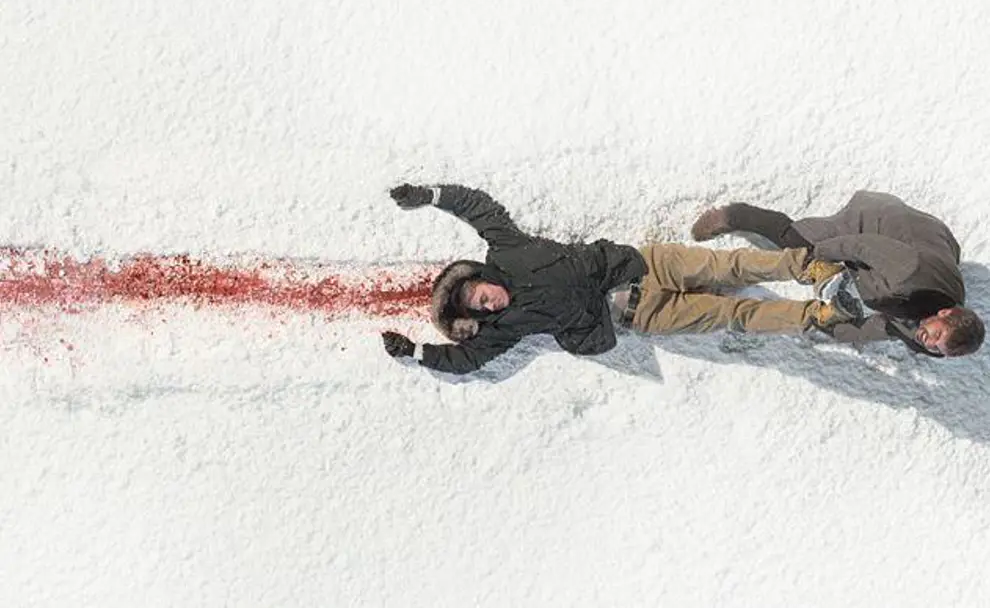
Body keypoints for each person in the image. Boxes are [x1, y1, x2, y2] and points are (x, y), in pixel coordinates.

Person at [380, 183, 851, 374]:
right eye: (482, 309)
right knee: (734, 314)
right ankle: (818, 315)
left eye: (482, 294)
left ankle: (807, 267)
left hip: (646, 265)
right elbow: (466, 359)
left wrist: (430, 195)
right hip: (646, 314)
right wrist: (416, 353)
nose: (490, 303)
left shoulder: (507, 249)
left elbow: (478, 208)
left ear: (480, 277)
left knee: (728, 266)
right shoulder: (504, 328)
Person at [690, 190, 985, 357]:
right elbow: (860, 245)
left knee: (870, 297)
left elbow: (881, 329)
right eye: (937, 335)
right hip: (877, 219)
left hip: (934, 240)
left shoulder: (925, 336)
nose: (930, 342)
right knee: (797, 241)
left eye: (938, 348)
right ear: (945, 313)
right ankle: (733, 214)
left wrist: (830, 330)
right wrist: (816, 254)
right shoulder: (910, 274)